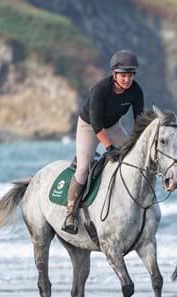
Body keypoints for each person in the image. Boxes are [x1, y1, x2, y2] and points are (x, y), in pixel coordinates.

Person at [62, 49, 144, 234]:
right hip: (90, 127)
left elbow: (140, 121)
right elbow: (97, 125)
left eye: (130, 75)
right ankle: (70, 213)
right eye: (123, 75)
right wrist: (109, 147)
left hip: (113, 126)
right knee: (83, 169)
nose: (127, 80)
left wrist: (138, 144)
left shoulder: (136, 91)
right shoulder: (100, 89)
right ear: (114, 74)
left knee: (133, 159)